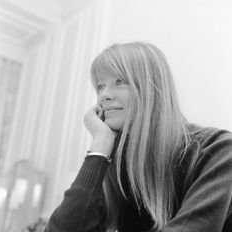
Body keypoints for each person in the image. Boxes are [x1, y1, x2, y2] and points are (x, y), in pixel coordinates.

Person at [44, 42, 232, 232]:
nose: (104, 96)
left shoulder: (218, 150)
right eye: (100, 86)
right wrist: (99, 150)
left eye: (120, 81)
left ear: (153, 88)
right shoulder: (115, 163)